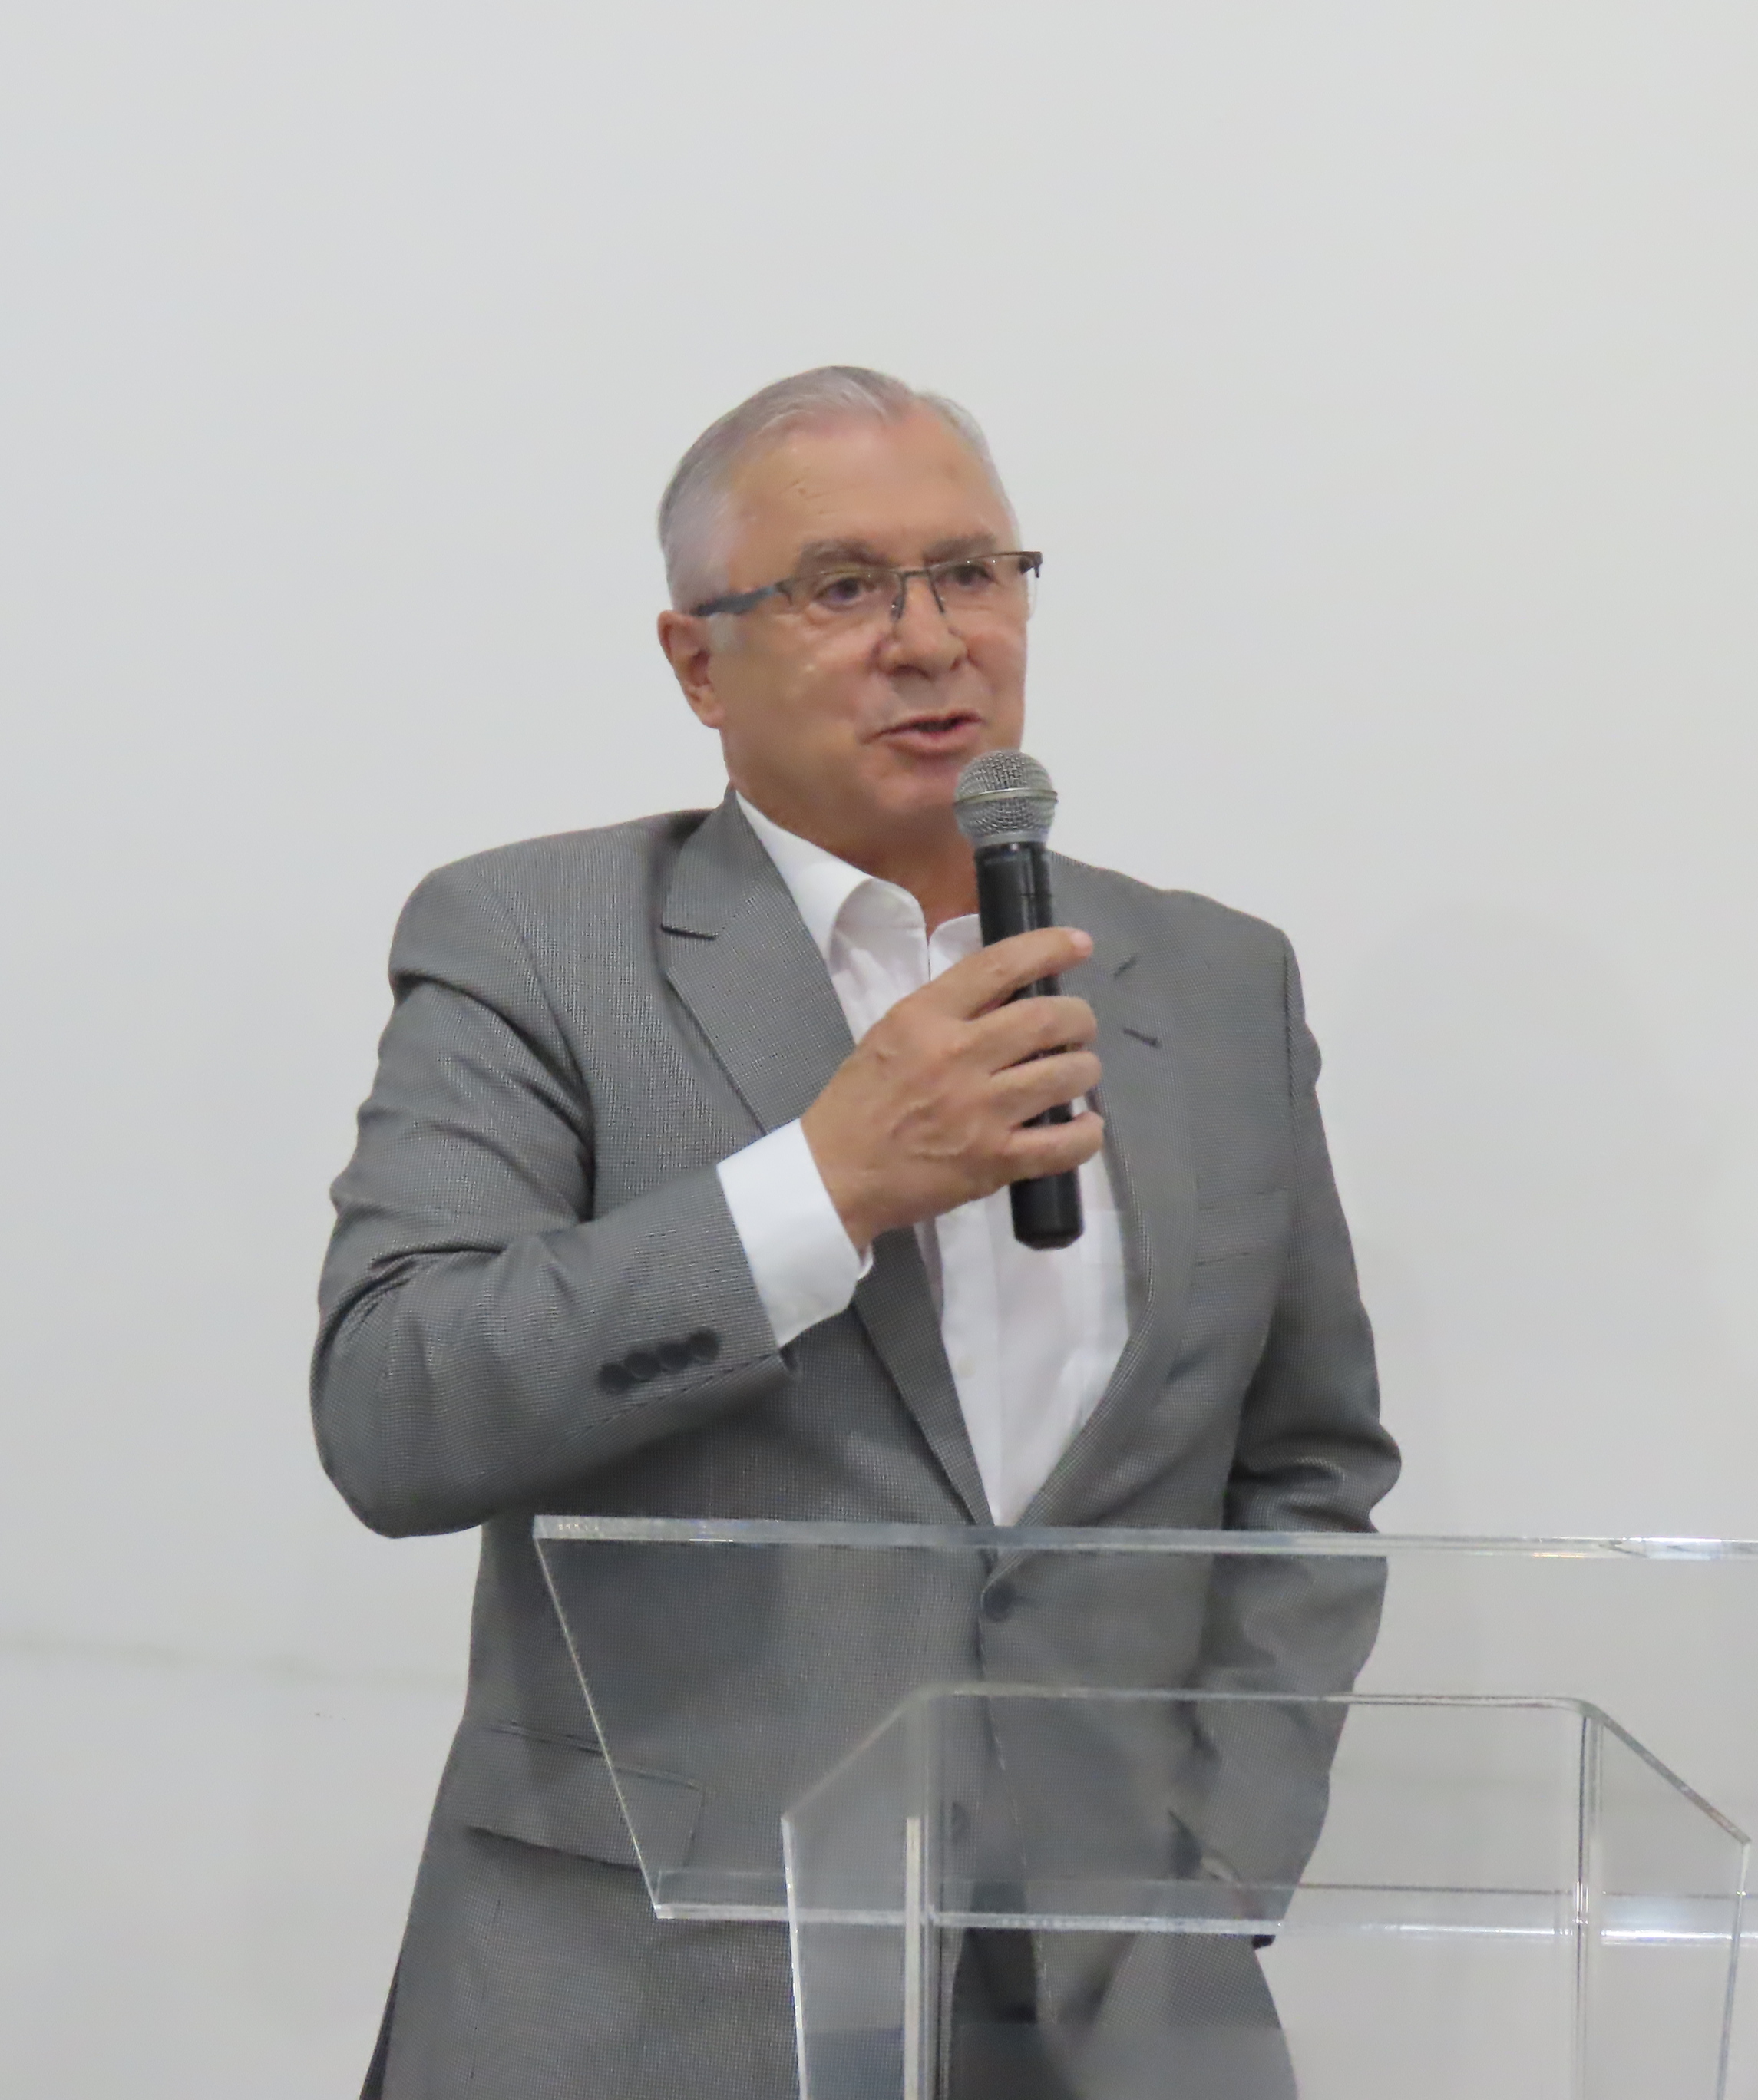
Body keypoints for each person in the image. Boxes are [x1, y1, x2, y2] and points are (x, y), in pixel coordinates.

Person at [314, 366, 1398, 2100]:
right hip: (657, 1997)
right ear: (697, 664)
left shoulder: (1214, 980)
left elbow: (1303, 1470)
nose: (932, 641)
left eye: (973, 573)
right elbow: (397, 1405)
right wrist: (823, 1185)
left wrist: (1218, 1862)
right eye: (845, 587)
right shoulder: (534, 944)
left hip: (1115, 2006)